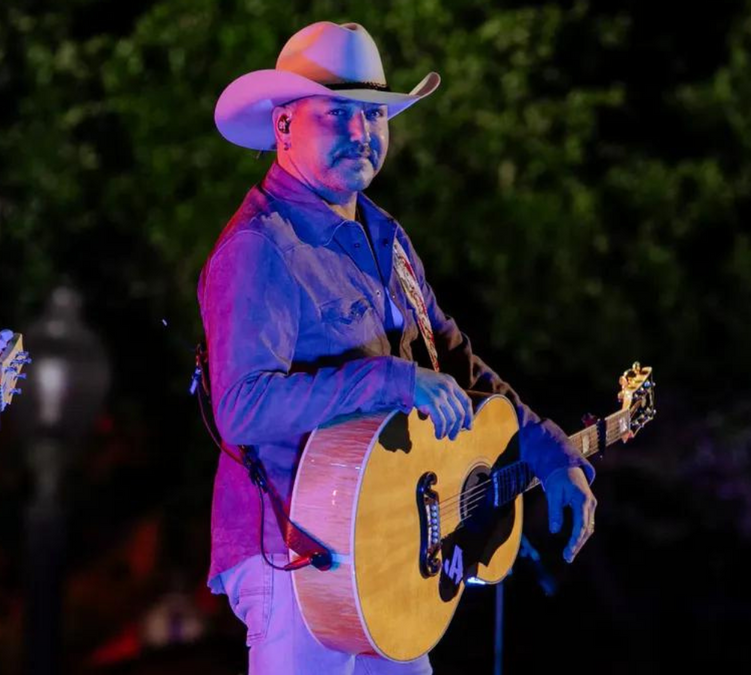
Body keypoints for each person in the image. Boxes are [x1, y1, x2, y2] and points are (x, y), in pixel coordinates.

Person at [197, 20, 598, 675]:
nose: (362, 133)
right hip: (293, 557)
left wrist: (549, 451)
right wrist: (391, 380)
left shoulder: (387, 238)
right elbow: (241, 407)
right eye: (338, 114)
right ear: (285, 126)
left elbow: (458, 364)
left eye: (375, 115)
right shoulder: (259, 247)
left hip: (384, 550)